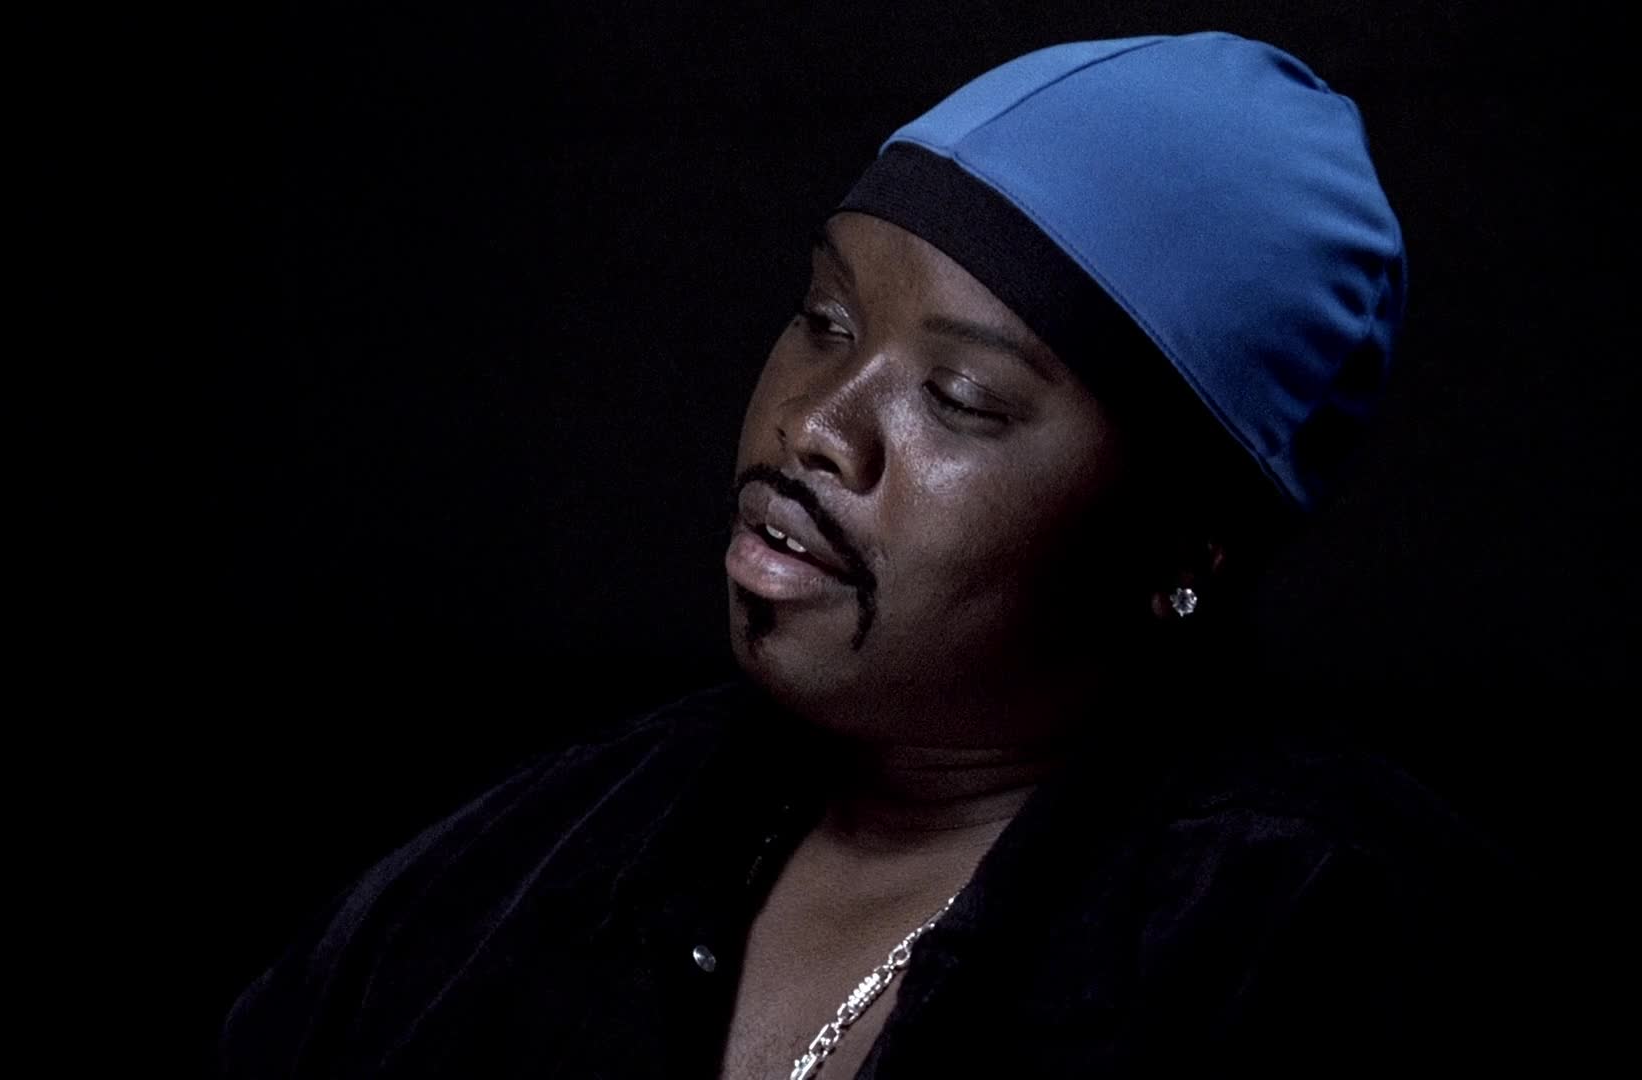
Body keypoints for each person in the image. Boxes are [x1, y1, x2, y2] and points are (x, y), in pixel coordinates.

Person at [220, 32, 1535, 1078]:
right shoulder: (527, 863)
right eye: (826, 320)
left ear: (1183, 545)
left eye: (959, 399)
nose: (815, 424)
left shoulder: (1327, 936)